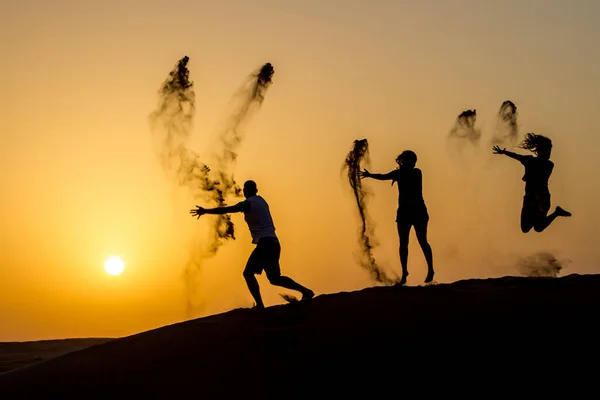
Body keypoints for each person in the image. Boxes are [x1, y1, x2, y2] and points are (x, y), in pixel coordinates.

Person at [190, 180, 314, 309]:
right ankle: (306, 292)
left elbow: (229, 209)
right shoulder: (262, 201)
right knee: (275, 278)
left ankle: (260, 305)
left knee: (248, 273)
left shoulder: (248, 203)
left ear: (246, 191)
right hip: (274, 243)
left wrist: (205, 211)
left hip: (265, 244)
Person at [359, 150, 434, 285]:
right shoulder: (402, 173)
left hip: (417, 211)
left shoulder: (415, 172)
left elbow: (386, 176)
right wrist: (370, 175)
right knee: (404, 243)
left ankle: (430, 269)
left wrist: (370, 175)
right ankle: (405, 272)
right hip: (406, 212)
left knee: (421, 240)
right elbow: (383, 176)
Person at [492, 133, 571, 233]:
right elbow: (517, 156)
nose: (549, 153)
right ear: (540, 151)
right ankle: (556, 212)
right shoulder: (531, 161)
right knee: (525, 228)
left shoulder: (548, 164)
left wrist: (504, 152)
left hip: (542, 198)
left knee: (538, 227)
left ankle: (556, 213)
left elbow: (520, 159)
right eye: (547, 150)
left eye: (550, 151)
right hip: (530, 199)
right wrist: (504, 152)